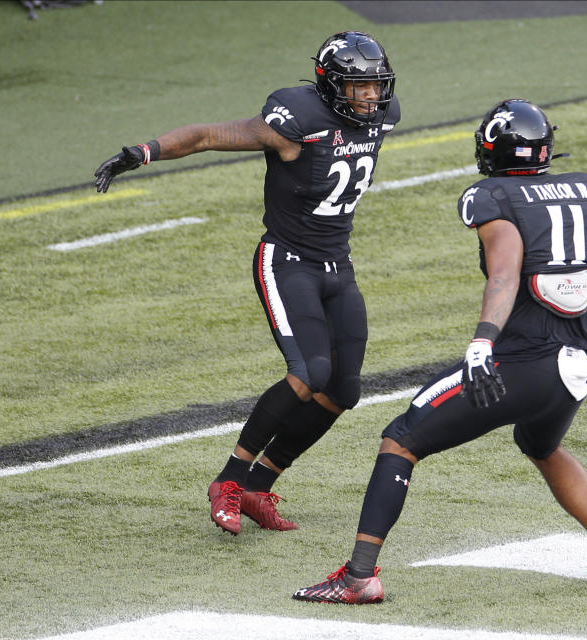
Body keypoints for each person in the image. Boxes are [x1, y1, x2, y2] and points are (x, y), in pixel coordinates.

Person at [292, 98, 587, 603]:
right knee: (542, 446)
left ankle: (358, 576)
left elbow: (507, 272)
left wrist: (483, 341)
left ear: (493, 149)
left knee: (400, 440)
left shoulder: (490, 196)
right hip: (573, 368)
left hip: (522, 363)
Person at [93, 32, 400, 535]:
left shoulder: (384, 115)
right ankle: (230, 480)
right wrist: (142, 152)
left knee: (343, 389)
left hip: (337, 266)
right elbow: (209, 135)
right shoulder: (292, 121)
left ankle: (261, 484)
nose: (370, 96)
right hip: (287, 261)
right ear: (330, 85)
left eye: (375, 84)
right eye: (358, 85)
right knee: (309, 372)